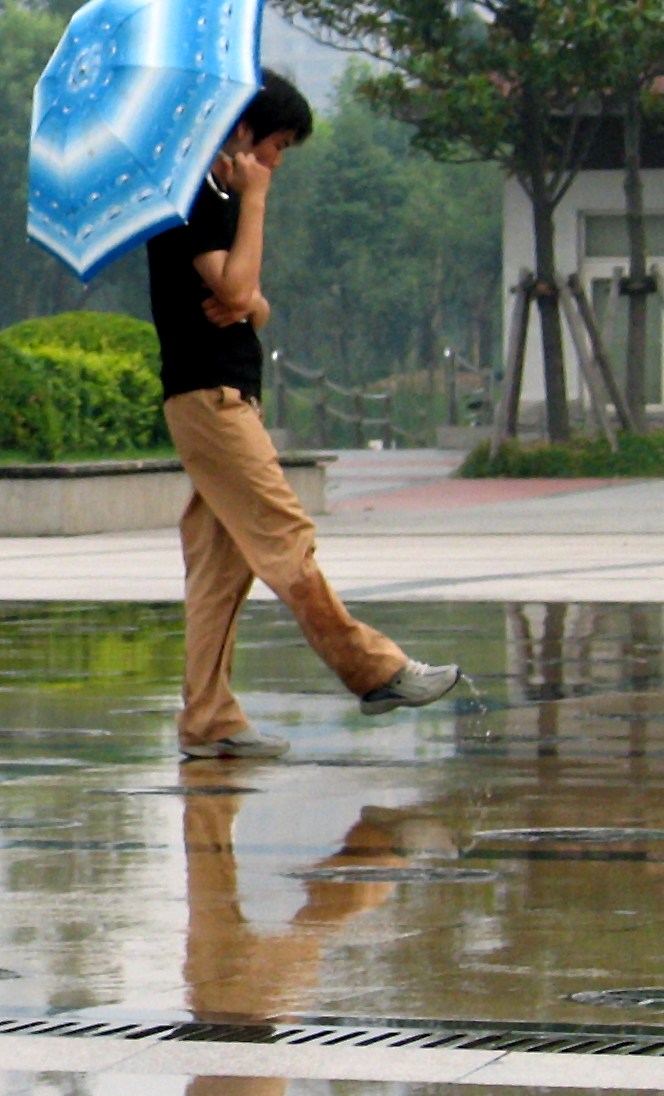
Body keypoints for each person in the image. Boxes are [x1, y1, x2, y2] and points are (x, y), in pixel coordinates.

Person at [147, 72, 459, 758]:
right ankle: (375, 672)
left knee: (219, 571)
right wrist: (253, 204)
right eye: (278, 144)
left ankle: (209, 721)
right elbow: (236, 287)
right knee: (285, 535)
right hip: (210, 398)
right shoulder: (198, 190)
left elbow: (254, 304)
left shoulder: (214, 192)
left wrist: (246, 295)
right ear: (242, 130)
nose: (279, 160)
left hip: (216, 394)